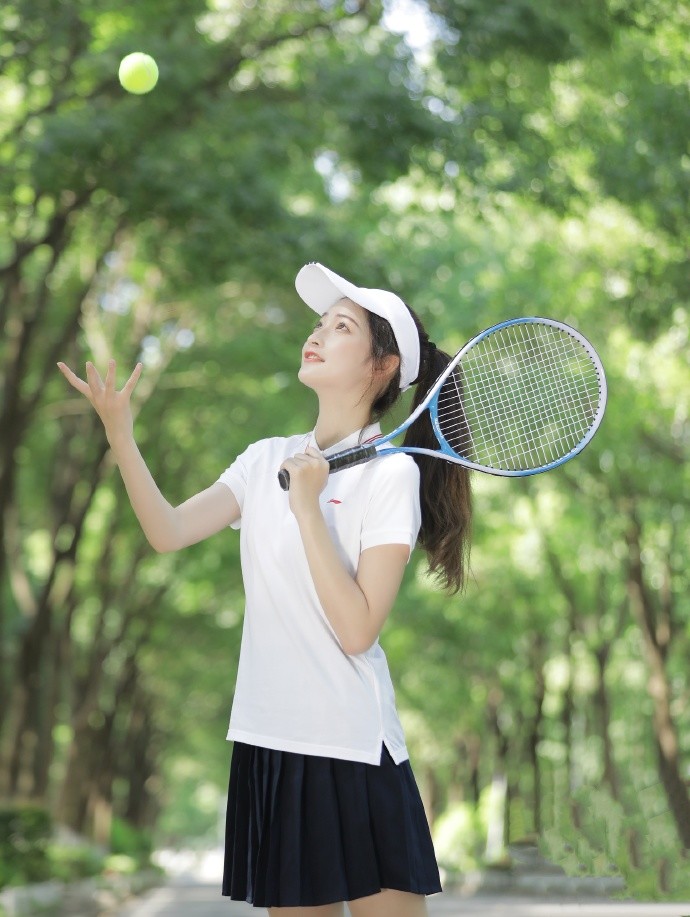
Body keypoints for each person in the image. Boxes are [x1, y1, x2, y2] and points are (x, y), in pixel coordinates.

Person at [57, 262, 472, 917]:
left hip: (353, 745)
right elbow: (166, 531)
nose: (318, 334)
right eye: (318, 323)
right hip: (273, 741)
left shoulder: (390, 477)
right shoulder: (263, 458)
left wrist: (309, 509)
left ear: (381, 366)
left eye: (341, 327)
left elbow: (358, 630)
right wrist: (120, 434)